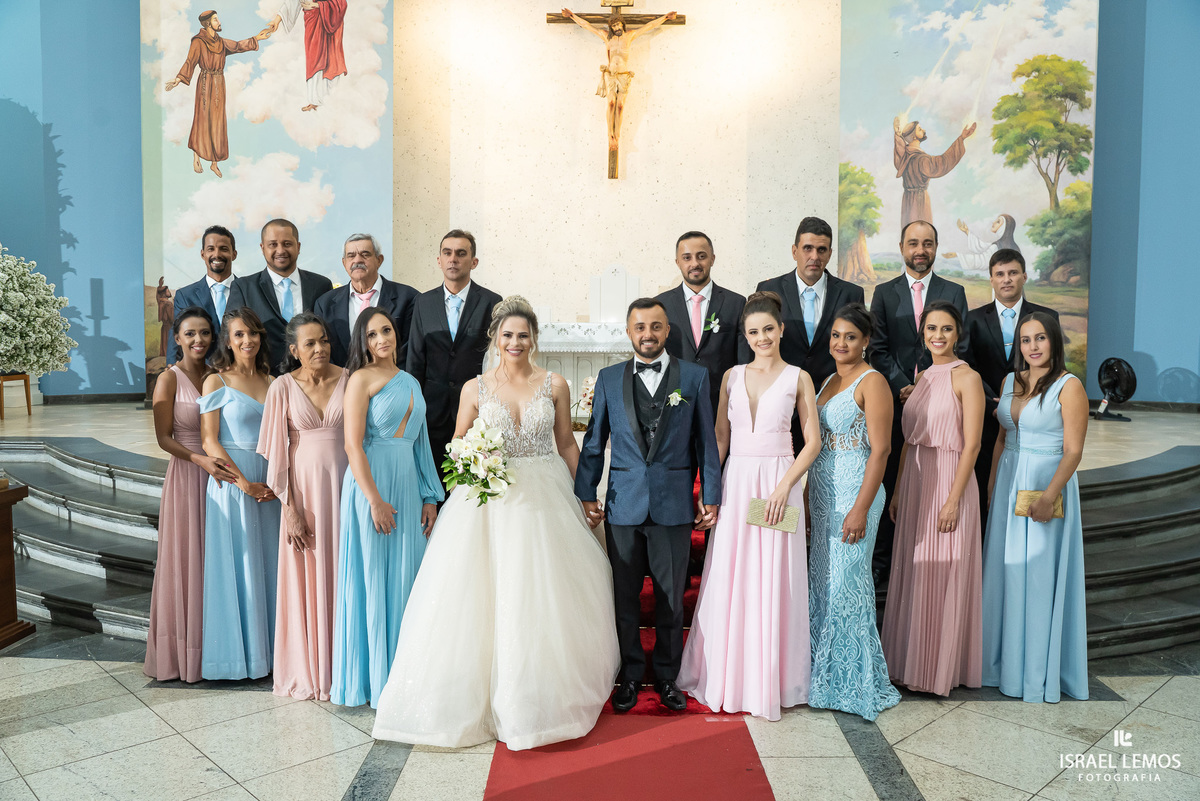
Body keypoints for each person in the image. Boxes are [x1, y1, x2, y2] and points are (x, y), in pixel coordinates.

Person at [372, 297, 620, 750]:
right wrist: (473, 463)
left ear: (534, 339)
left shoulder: (555, 384)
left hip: (545, 497)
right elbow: (457, 442)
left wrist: (586, 493)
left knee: (539, 592)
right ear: (495, 338)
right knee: (482, 594)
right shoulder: (475, 388)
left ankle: (536, 696)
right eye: (508, 335)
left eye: (523, 335)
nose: (515, 342)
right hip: (489, 501)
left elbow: (567, 443)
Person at [677, 291, 820, 720]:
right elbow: (720, 437)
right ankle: (729, 676)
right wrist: (710, 490)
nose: (762, 338)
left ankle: (770, 681)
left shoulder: (799, 377)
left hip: (780, 483)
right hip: (737, 481)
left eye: (769, 329)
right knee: (731, 571)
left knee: (774, 575)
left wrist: (784, 487)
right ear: (745, 335)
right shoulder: (731, 376)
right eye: (754, 332)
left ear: (782, 330)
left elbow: (812, 442)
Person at [576, 298, 722, 712]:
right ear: (628, 331)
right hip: (622, 504)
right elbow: (595, 440)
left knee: (671, 599)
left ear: (667, 330)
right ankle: (630, 675)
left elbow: (706, 442)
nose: (648, 334)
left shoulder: (693, 377)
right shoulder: (608, 378)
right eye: (640, 327)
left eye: (656, 326)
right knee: (625, 598)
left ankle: (667, 677)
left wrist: (711, 495)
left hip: (673, 505)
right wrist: (586, 492)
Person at [332, 308, 443, 708]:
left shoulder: (411, 381)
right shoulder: (360, 379)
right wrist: (374, 500)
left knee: (407, 579)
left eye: (387, 330)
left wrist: (429, 496)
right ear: (362, 342)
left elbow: (421, 443)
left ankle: (403, 679)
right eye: (372, 334)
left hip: (408, 487)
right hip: (371, 485)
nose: (382, 339)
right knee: (373, 576)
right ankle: (373, 681)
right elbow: (352, 445)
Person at [982, 313, 1089, 703]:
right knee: (1005, 572)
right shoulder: (1010, 381)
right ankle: (999, 666)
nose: (1033, 347)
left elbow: (1073, 451)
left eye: (1040, 338)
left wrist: (1048, 497)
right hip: (1009, 482)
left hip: (1045, 483)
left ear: (1054, 340)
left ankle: (1033, 673)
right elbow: (1002, 436)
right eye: (1025, 340)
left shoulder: (1069, 386)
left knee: (1038, 577)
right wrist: (993, 485)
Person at [881, 301, 984, 696]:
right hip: (916, 483)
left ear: (958, 334)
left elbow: (972, 445)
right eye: (931, 329)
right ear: (922, 334)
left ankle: (936, 671)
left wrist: (954, 500)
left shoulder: (967, 378)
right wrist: (898, 490)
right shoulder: (922, 376)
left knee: (941, 573)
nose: (938, 336)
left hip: (949, 480)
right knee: (914, 572)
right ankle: (908, 664)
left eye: (946, 329)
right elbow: (909, 441)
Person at [807, 303, 901, 720]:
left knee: (847, 584)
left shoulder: (872, 381)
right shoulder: (828, 380)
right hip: (823, 494)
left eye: (850, 336)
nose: (840, 343)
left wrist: (861, 508)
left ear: (865, 341)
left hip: (854, 494)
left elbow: (881, 450)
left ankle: (854, 682)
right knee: (823, 584)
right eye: (836, 335)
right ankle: (824, 676)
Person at [869, 220, 969, 583]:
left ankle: (925, 555)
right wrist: (905, 386)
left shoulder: (954, 291)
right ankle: (884, 560)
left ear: (936, 247)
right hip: (895, 402)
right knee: (890, 476)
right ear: (902, 247)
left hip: (941, 403)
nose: (920, 250)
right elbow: (877, 349)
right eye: (913, 243)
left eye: (927, 243)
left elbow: (961, 345)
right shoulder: (884, 293)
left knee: (932, 481)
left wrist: (928, 384)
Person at [257, 312, 348, 700]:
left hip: (346, 493)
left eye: (323, 340)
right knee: (307, 576)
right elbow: (277, 456)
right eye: (309, 343)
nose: (319, 348)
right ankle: (310, 669)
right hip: (304, 498)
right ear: (294, 350)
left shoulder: (350, 379)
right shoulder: (281, 387)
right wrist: (289, 510)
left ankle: (345, 668)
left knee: (345, 574)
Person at [145, 307, 238, 682]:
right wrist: (200, 459)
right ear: (177, 339)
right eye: (190, 334)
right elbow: (163, 437)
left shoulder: (220, 375)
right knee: (187, 558)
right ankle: (184, 654)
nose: (198, 340)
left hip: (221, 474)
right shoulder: (169, 378)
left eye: (204, 333)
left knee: (216, 559)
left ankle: (219, 649)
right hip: (187, 475)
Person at [197, 307, 281, 680]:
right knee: (239, 566)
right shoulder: (216, 382)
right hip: (233, 484)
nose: (248, 340)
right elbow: (209, 440)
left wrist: (277, 480)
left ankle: (273, 655)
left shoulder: (273, 381)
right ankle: (237, 659)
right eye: (239, 335)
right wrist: (243, 482)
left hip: (270, 484)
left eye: (253, 333)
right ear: (228, 342)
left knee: (270, 566)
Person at [964, 249, 1059, 529]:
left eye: (1013, 273)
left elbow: (1051, 366)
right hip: (984, 415)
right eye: (1000, 274)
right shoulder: (972, 319)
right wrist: (994, 404)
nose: (1007, 279)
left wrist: (1020, 404)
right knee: (986, 486)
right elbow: (967, 366)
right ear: (991, 279)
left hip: (1032, 418)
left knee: (1026, 488)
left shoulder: (1046, 317)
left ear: (1024, 276)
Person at [756, 217, 865, 453]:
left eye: (821, 250)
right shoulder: (769, 290)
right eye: (807, 248)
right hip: (781, 405)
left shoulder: (851, 294)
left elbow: (857, 351)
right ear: (794, 251)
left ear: (830, 253)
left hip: (833, 405)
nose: (814, 256)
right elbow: (758, 347)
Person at [406, 229, 502, 469]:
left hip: (477, 410)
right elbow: (415, 358)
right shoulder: (423, 302)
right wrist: (413, 408)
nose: (453, 259)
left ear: (474, 262)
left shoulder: (491, 302)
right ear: (439, 260)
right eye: (447, 253)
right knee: (435, 478)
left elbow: (498, 359)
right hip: (432, 410)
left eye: (461, 253)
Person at [165, 11, 272, 177]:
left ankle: (214, 163)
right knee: (202, 119)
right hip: (205, 84)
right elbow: (190, 62)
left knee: (217, 122)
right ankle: (196, 157)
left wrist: (256, 38)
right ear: (208, 23)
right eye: (216, 19)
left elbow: (237, 46)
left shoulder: (221, 42)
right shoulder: (198, 42)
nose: (219, 22)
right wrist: (178, 79)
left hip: (219, 84)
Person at [656, 231, 748, 413]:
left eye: (701, 256)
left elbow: (743, 362)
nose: (695, 264)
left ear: (712, 259)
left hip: (722, 405)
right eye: (687, 258)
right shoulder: (661, 305)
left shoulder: (736, 303)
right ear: (678, 262)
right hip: (674, 404)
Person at [227, 219, 333, 375]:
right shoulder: (243, 287)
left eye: (287, 244)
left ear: (298, 246)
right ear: (262, 248)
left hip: (315, 378)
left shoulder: (321, 285)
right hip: (262, 378)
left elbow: (328, 335)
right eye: (273, 244)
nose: (281, 250)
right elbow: (230, 332)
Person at [314, 233, 418, 368]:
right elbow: (324, 351)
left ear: (379, 260)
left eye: (365, 254)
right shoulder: (324, 304)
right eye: (351, 256)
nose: (357, 260)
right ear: (344, 263)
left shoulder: (408, 298)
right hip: (343, 380)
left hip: (392, 379)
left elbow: (411, 351)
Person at [169, 225, 238, 364]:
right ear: (203, 254)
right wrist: (171, 370)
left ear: (234, 254)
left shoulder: (249, 291)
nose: (217, 254)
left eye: (223, 249)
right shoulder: (185, 296)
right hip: (200, 372)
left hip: (241, 373)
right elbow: (176, 339)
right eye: (211, 249)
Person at [892, 116, 976, 229]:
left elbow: (900, 150)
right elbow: (942, 163)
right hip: (920, 202)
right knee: (922, 232)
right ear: (913, 136)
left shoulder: (905, 157)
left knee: (909, 231)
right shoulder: (922, 160)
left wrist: (897, 135)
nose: (924, 130)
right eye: (920, 129)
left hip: (907, 202)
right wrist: (961, 138)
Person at [264, 0, 347, 111]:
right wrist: (277, 20)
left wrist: (319, 5)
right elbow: (292, 2)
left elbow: (341, 3)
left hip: (329, 20)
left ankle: (331, 99)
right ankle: (315, 100)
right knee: (314, 60)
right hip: (312, 21)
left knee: (331, 59)